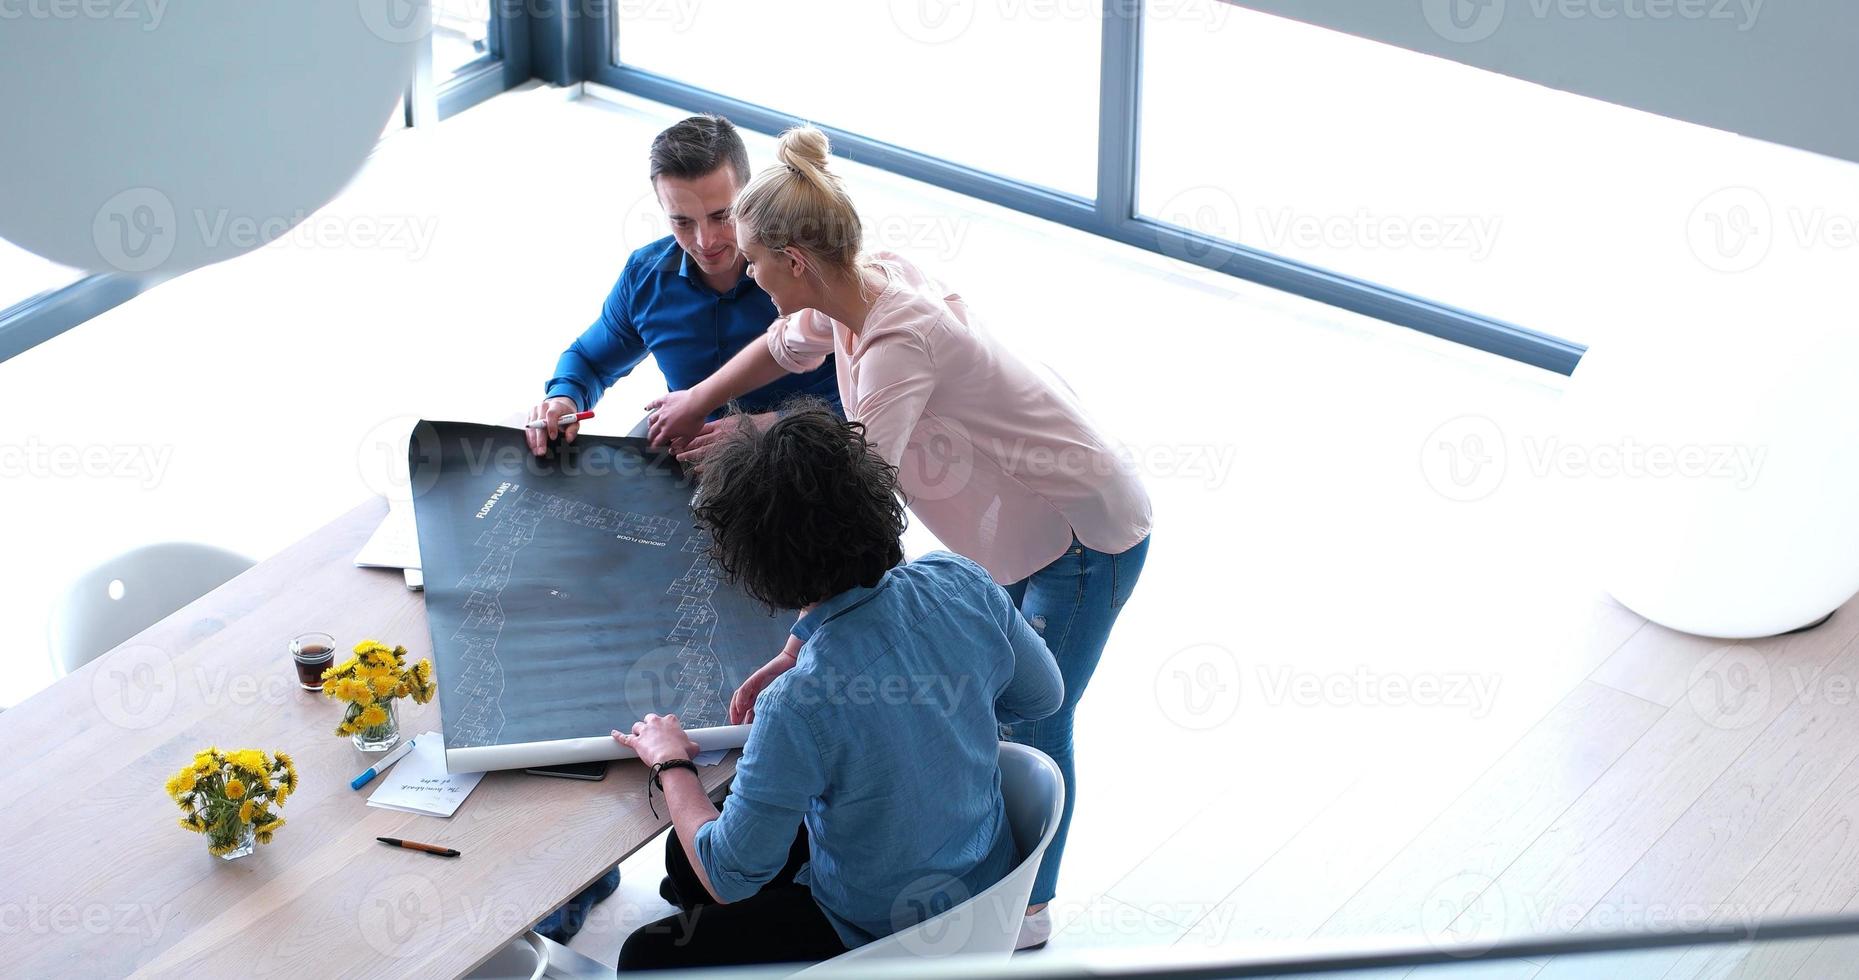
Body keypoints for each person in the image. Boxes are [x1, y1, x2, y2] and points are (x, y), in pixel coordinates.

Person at [644, 126, 1153, 948]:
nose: (740, 269)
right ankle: (934, 847)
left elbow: (848, 500)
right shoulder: (854, 291)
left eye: (751, 257)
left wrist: (801, 647)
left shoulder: (894, 347)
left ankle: (1019, 909)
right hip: (1013, 523)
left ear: (795, 260)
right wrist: (700, 397)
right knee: (971, 679)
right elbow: (782, 347)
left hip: (1079, 527)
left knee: (1034, 722)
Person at [613, 405, 1063, 971]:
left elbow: (729, 877)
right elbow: (1042, 698)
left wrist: (670, 762)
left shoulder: (798, 706)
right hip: (985, 885)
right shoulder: (962, 581)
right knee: (690, 848)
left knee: (644, 950)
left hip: (883, 930)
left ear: (756, 564)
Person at [524, 114, 840, 456]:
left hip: (808, 458)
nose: (705, 241)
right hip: (688, 465)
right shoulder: (645, 277)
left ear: (750, 195)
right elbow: (590, 360)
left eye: (722, 216)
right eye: (682, 221)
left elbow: (870, 401)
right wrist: (563, 397)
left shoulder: (806, 267)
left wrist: (765, 428)